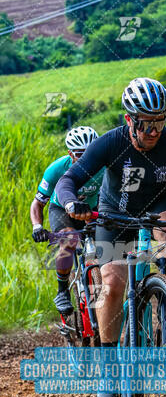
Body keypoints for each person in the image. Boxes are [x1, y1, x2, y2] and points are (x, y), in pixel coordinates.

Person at [55, 77, 166, 397]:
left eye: (160, 121)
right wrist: (72, 204)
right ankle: (107, 367)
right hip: (114, 214)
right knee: (113, 284)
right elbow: (70, 180)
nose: (154, 130)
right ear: (130, 119)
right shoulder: (111, 143)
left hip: (158, 206)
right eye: (146, 122)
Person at [30, 126, 104, 316]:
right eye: (80, 154)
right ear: (70, 153)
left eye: (91, 152)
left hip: (92, 210)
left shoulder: (104, 166)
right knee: (68, 241)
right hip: (61, 210)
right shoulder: (56, 169)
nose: (87, 158)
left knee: (108, 245)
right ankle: (62, 291)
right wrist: (37, 226)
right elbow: (37, 204)